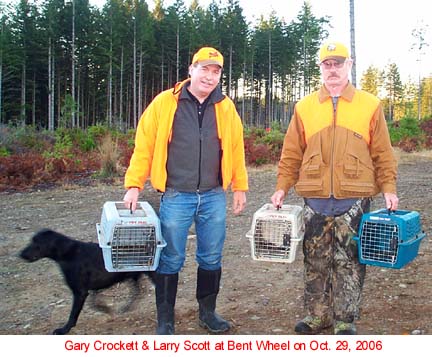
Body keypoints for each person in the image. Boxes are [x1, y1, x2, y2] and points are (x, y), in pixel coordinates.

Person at [271, 41, 398, 335]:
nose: (332, 69)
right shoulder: (304, 107)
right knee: (314, 260)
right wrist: (282, 187)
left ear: (349, 65)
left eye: (338, 63)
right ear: (320, 68)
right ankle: (317, 316)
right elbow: (292, 153)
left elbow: (383, 153)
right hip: (314, 197)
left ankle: (344, 319)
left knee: (349, 261)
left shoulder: (370, 105)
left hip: (354, 197)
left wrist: (388, 188)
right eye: (327, 64)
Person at [123, 46, 248, 335]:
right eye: (204, 68)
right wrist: (134, 185)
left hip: (214, 195)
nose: (209, 76)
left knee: (211, 256)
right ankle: (165, 321)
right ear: (191, 70)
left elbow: (235, 149)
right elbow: (145, 146)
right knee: (171, 258)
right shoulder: (165, 103)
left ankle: (207, 313)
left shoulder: (226, 106)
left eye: (216, 71)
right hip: (177, 195)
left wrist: (239, 186)